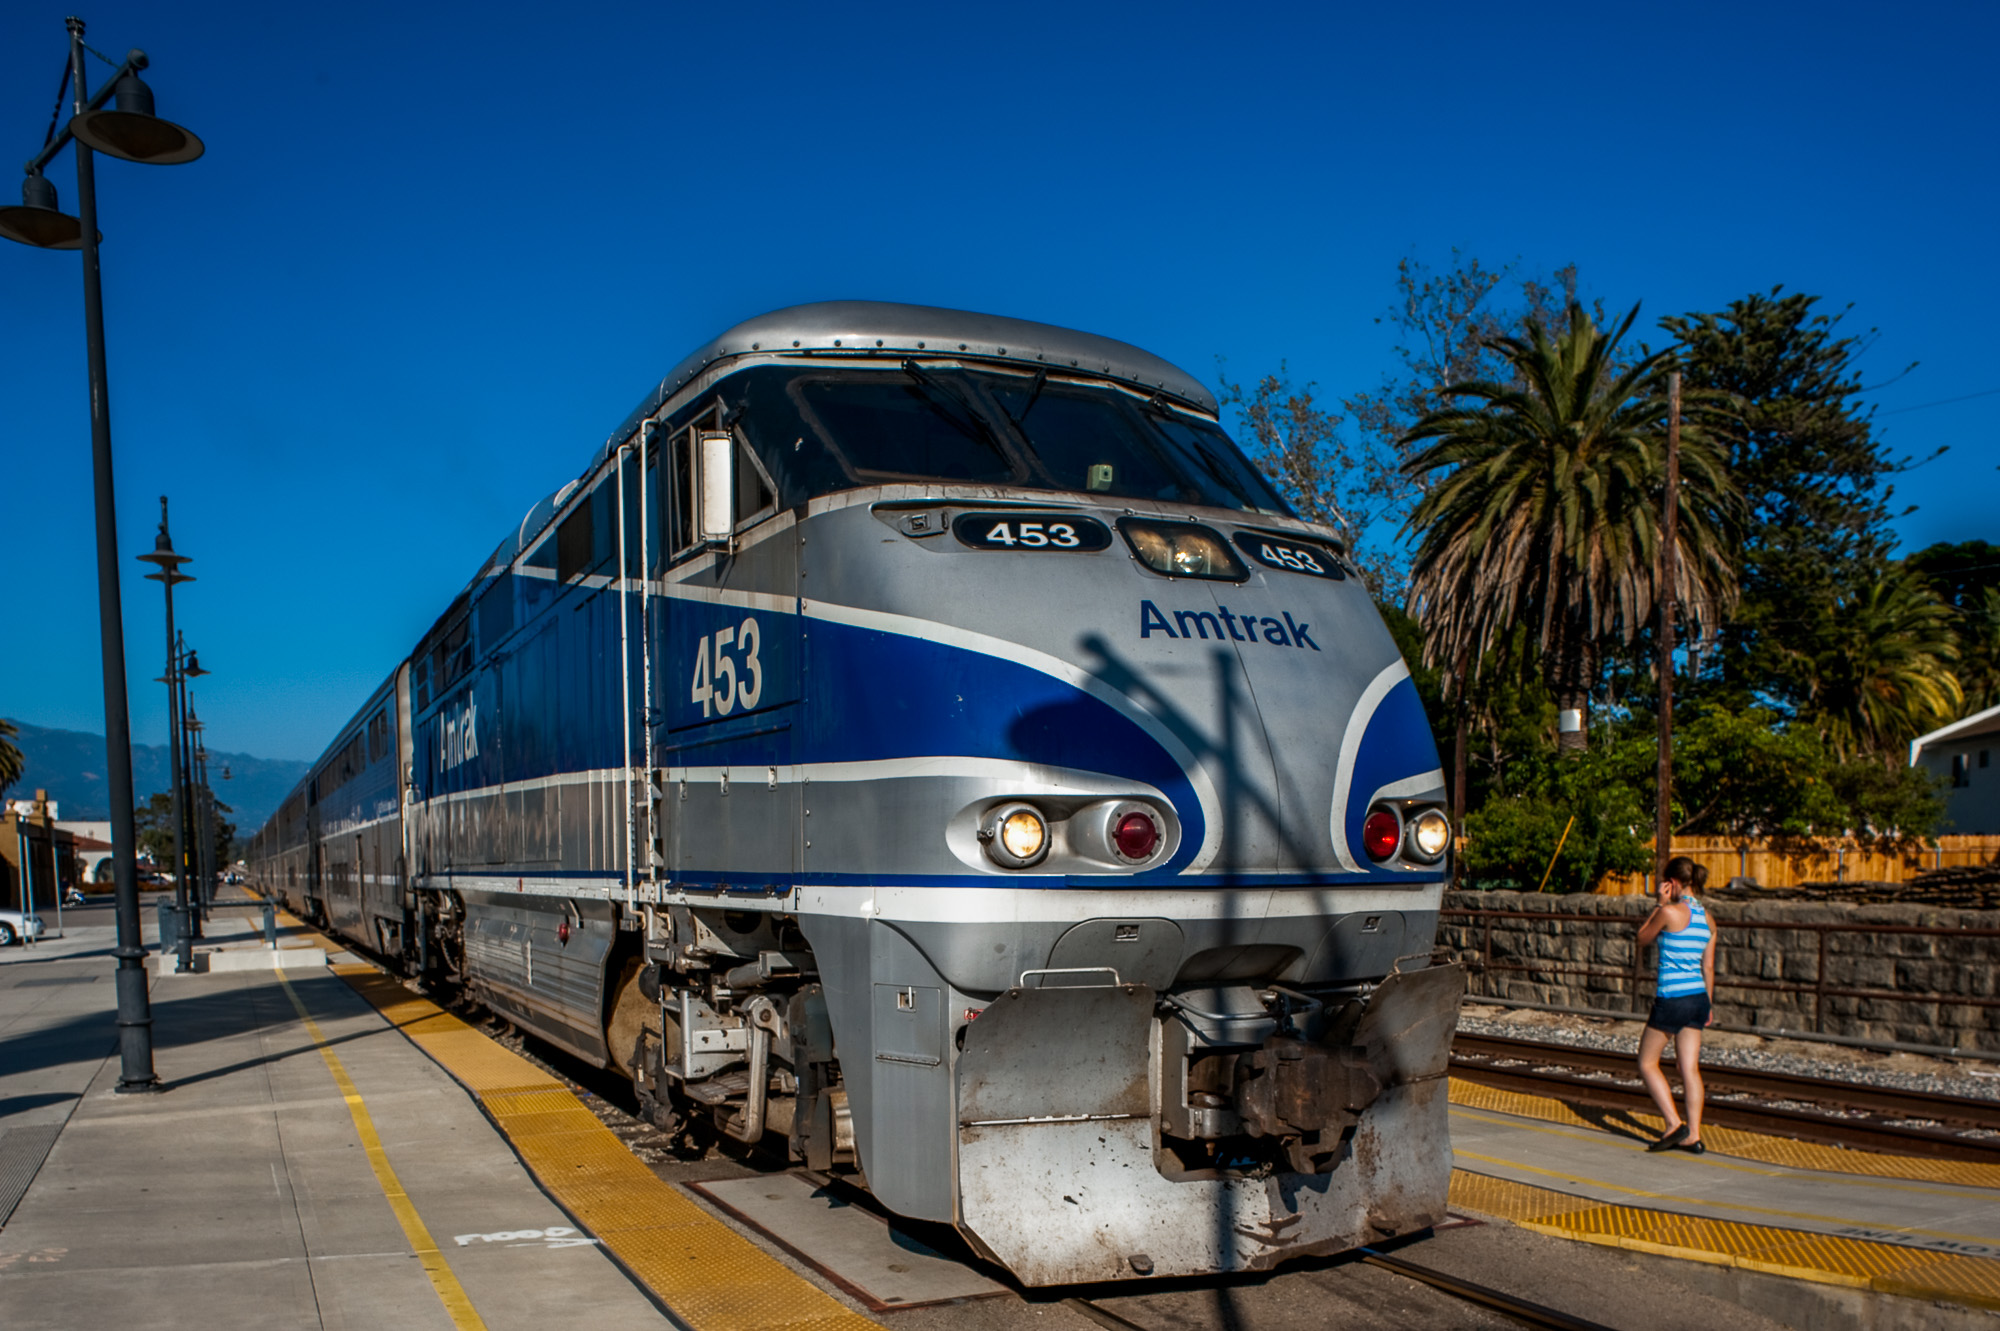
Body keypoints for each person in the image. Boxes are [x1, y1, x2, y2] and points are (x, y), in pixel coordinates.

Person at [1636, 856, 1715, 1153]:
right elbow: (1708, 968)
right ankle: (1693, 1134)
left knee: (1646, 1062)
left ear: (1673, 883)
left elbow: (1642, 938)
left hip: (1672, 998)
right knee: (1689, 1068)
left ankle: (1673, 1123)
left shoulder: (1669, 913)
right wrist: (1708, 1004)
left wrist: (1658, 902)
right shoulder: (1708, 919)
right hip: (1697, 999)